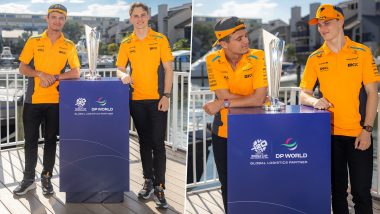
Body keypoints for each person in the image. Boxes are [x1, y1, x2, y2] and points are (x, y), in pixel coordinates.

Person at [300, 4, 379, 213]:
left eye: (327, 22)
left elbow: (372, 93)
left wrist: (367, 129)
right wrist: (314, 101)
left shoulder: (362, 52)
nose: (322, 28)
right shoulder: (315, 58)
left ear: (340, 21)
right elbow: (303, 93)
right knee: (337, 191)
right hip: (329, 135)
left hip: (358, 134)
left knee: (362, 193)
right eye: (319, 24)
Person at [13, 4, 80, 196]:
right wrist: (40, 73)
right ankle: (28, 180)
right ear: (47, 19)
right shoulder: (34, 41)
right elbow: (23, 68)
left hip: (56, 102)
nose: (57, 21)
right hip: (32, 101)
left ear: (65, 21)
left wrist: (56, 77)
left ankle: (47, 177)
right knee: (30, 142)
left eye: (61, 18)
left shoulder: (69, 45)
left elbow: (76, 72)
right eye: (54, 17)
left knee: (51, 140)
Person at [203, 16, 268, 212]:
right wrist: (233, 100)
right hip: (224, 131)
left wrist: (222, 103)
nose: (246, 41)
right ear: (223, 43)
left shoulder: (258, 56)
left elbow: (259, 98)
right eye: (239, 38)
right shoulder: (211, 59)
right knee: (228, 185)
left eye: (246, 36)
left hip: (256, 130)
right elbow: (232, 96)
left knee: (255, 183)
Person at [116, 2, 173, 209]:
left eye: (143, 15)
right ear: (130, 19)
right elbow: (119, 68)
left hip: (157, 100)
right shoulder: (126, 43)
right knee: (144, 142)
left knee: (158, 144)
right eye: (135, 16)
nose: (139, 19)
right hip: (136, 100)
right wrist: (123, 75)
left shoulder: (160, 39)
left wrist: (166, 95)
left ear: (148, 17)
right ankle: (148, 181)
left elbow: (168, 69)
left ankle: (159, 188)